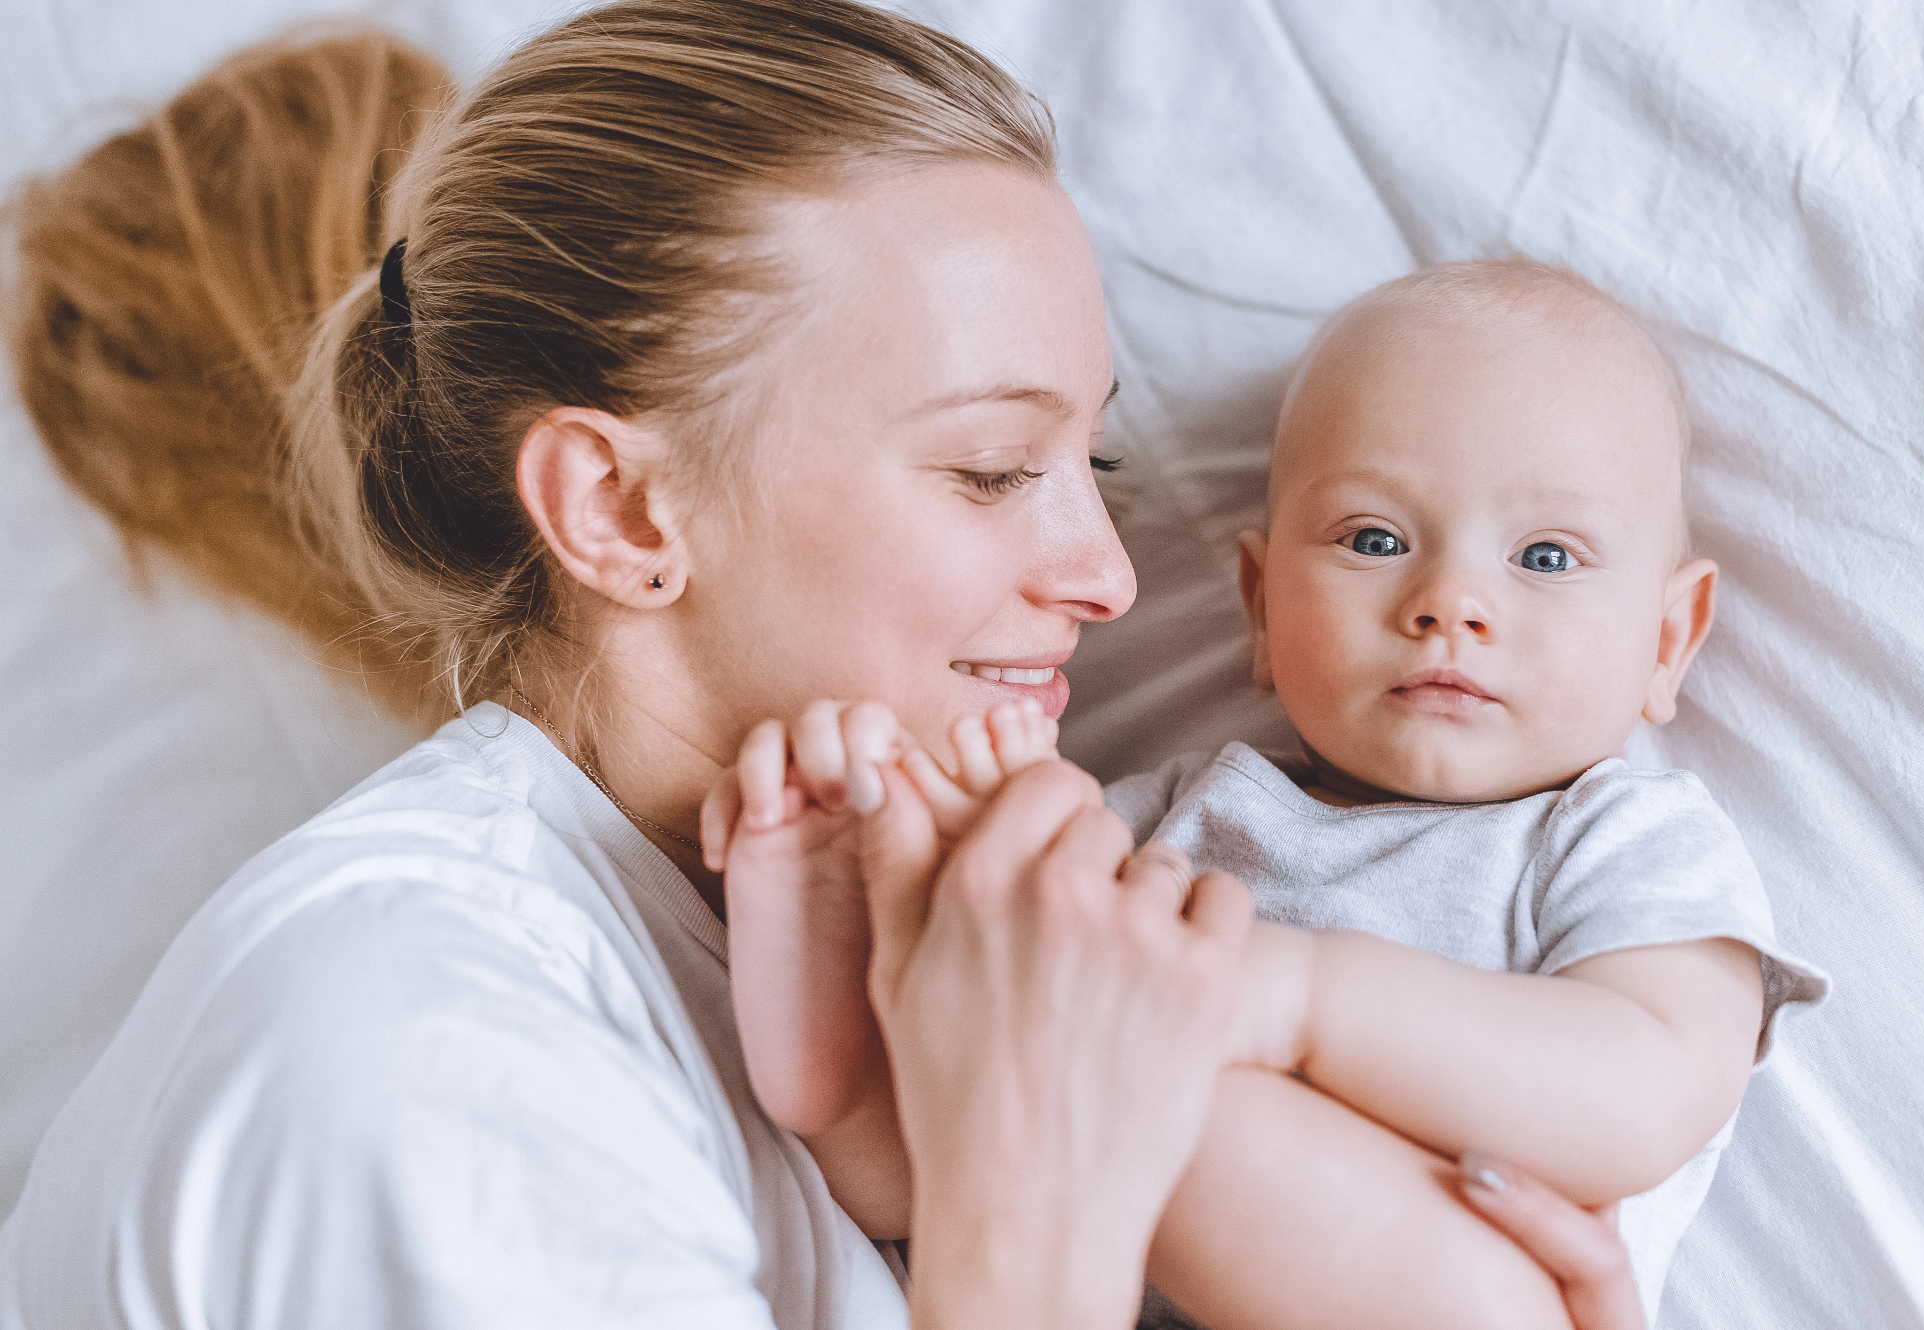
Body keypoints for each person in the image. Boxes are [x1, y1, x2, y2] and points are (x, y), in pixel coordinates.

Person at [0, 3, 1655, 1327]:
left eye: (1101, 472)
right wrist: (1032, 1210)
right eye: (994, 470)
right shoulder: (416, 1065)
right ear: (624, 507)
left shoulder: (856, 939)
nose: (1104, 574)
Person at [718, 261, 1828, 1327]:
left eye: (1543, 557)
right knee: (993, 1057)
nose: (1448, 601)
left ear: (1668, 640)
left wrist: (1294, 996)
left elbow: (1637, 1097)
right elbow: (938, 1164)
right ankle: (829, 1071)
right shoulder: (1164, 816)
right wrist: (900, 888)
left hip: (1465, 1299)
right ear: (1259, 607)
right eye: (1374, 539)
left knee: (1066, 1041)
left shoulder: (1620, 837)